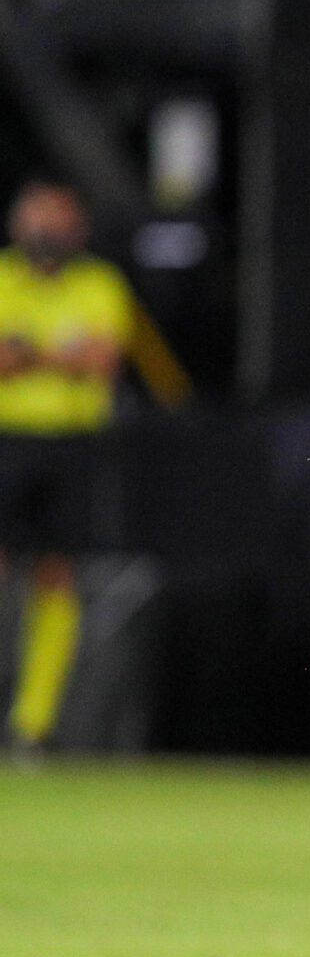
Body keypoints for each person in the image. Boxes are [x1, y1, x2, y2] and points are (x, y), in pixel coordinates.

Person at [0, 181, 186, 749]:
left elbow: (102, 359)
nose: (45, 235)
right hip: (7, 439)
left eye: (56, 222)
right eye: (36, 221)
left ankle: (32, 724)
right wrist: (60, 355)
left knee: (57, 575)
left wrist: (30, 352)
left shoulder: (100, 283)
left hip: (74, 445)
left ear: (78, 230)